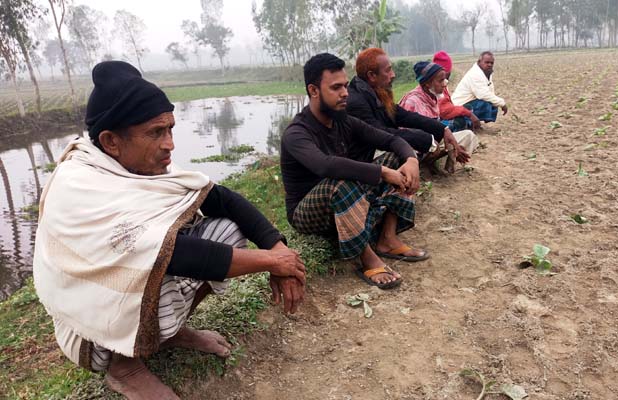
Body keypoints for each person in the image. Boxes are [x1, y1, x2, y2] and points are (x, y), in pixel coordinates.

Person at [33, 61, 306, 400]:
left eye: (170, 130)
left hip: (139, 299)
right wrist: (269, 262)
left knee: (225, 230)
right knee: (156, 257)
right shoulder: (80, 184)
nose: (169, 145)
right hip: (93, 336)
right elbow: (169, 254)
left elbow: (222, 199)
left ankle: (170, 333)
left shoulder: (143, 167)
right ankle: (124, 367)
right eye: (156, 133)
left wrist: (277, 247)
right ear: (111, 141)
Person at [281, 53, 427, 290]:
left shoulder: (343, 120)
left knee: (395, 158)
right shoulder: (297, 133)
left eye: (346, 86)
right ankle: (365, 257)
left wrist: (411, 159)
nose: (345, 93)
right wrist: (381, 172)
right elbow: (325, 165)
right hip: (306, 212)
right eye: (336, 87)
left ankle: (387, 239)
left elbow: (390, 139)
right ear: (314, 90)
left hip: (345, 197)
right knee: (342, 180)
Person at [346, 47, 470, 171]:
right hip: (356, 166)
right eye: (388, 70)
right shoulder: (356, 102)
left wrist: (443, 129)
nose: (393, 75)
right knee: (400, 151)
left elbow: (402, 115)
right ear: (372, 75)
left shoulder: (373, 93)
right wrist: (425, 140)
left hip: (370, 157)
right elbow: (379, 133)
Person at [399, 60, 479, 174]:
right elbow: (406, 135)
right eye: (441, 80)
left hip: (433, 143)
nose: (445, 83)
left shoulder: (433, 96)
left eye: (445, 79)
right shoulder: (412, 101)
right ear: (427, 83)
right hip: (417, 148)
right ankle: (422, 168)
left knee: (468, 136)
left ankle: (446, 167)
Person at [451, 51, 508, 129]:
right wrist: (502, 103)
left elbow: (490, 92)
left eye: (491, 63)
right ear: (479, 62)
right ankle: (467, 124)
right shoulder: (475, 74)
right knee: (486, 103)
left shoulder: (486, 72)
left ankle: (473, 123)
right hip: (460, 106)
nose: (489, 65)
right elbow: (483, 95)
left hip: (468, 103)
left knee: (493, 102)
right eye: (487, 62)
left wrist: (499, 102)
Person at [431, 51, 482, 132]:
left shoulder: (440, 82)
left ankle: (467, 126)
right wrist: (468, 114)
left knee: (468, 108)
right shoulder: (434, 86)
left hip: (441, 115)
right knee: (459, 121)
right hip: (435, 121)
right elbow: (444, 110)